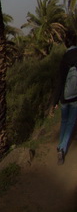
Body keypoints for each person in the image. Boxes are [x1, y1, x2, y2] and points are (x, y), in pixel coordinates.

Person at [51, 33, 77, 165]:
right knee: (71, 123)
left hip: (64, 98)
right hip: (75, 97)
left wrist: (54, 102)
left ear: (66, 44)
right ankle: (62, 148)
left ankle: (60, 146)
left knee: (64, 121)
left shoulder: (64, 59)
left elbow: (60, 82)